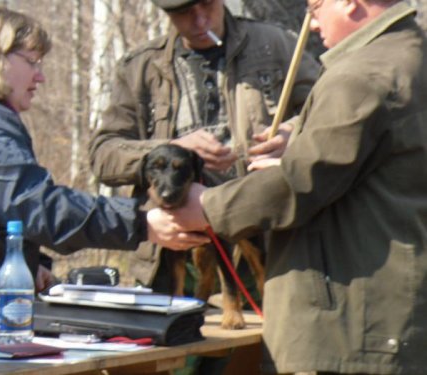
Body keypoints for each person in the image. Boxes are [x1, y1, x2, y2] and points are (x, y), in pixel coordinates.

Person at [146, 0, 427, 373]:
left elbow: (303, 181)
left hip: (358, 320)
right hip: (389, 308)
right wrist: (298, 134)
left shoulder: (365, 74)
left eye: (316, 5)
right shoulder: (409, 54)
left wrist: (209, 206)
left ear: (350, 3)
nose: (311, 22)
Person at [0, 7, 206, 290]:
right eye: (32, 62)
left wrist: (25, 263)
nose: (40, 76)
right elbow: (35, 206)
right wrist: (141, 222)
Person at [89, 0, 320, 298]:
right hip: (174, 253)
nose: (199, 22)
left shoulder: (275, 45)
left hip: (268, 247)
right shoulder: (142, 66)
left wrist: (293, 133)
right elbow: (103, 154)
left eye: (207, 6)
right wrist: (169, 149)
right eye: (184, 13)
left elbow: (332, 106)